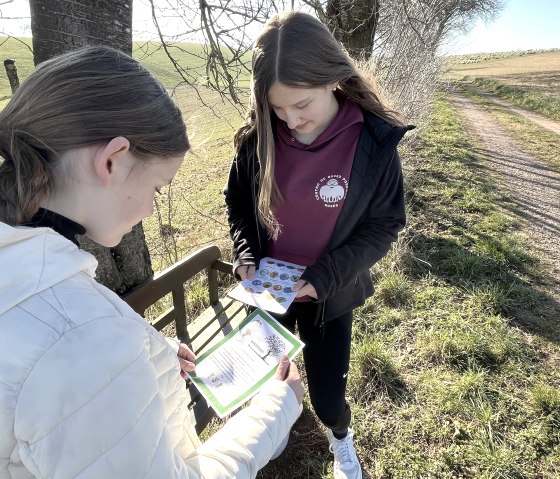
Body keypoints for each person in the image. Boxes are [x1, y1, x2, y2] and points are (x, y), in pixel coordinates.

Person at [0, 45, 304, 479]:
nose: (149, 209)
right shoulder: (85, 344)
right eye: (158, 189)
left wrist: (152, 357)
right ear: (112, 159)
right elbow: (77, 351)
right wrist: (278, 408)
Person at [224, 11, 413, 479]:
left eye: (301, 104)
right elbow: (239, 204)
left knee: (329, 397)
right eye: (277, 108)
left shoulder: (372, 141)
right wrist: (247, 253)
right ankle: (276, 431)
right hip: (268, 293)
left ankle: (339, 437)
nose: (290, 120)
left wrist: (324, 277)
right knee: (270, 382)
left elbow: (384, 224)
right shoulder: (258, 139)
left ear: (333, 79)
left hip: (330, 292)